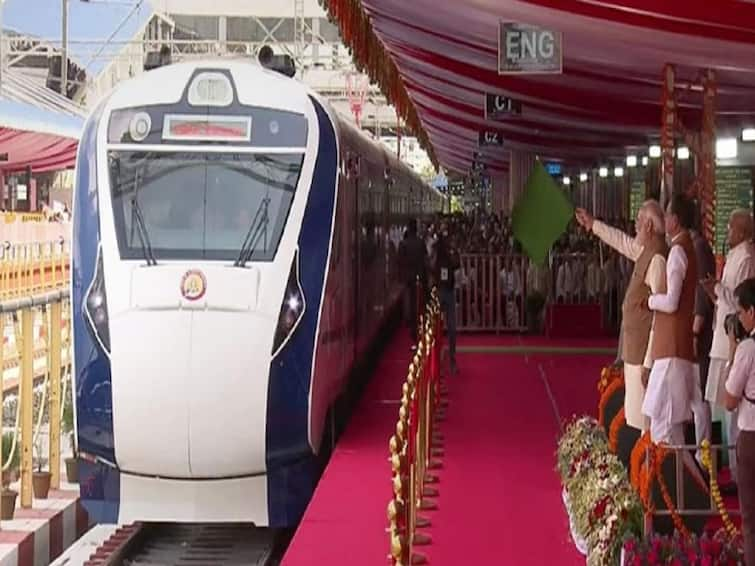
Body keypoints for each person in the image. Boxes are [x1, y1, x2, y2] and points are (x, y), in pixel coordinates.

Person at [575, 201, 667, 431]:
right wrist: (593, 224)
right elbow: (622, 242)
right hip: (633, 347)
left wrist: (649, 362)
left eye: (638, 220)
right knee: (635, 416)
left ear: (648, 225)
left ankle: (646, 465)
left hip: (643, 352)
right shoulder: (646, 251)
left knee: (643, 421)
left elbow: (661, 316)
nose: (634, 224)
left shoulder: (657, 259)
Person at [703, 209, 755, 490]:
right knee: (717, 407)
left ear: (744, 232)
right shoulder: (735, 254)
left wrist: (719, 288)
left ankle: (738, 473)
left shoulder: (747, 257)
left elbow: (742, 304)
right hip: (720, 340)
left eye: (732, 227)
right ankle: (726, 466)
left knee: (731, 411)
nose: (728, 230)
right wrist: (715, 290)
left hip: (733, 342)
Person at [642, 195, 699, 445]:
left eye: (666, 215)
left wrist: (651, 300)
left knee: (662, 429)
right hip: (676, 347)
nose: (664, 220)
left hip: (672, 349)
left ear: (675, 220)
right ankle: (679, 483)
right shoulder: (686, 247)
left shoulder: (677, 251)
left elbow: (672, 301)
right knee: (672, 431)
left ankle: (664, 483)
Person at [722, 277, 755, 565]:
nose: (741, 318)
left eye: (742, 312)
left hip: (751, 434)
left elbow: (729, 400)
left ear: (752, 312)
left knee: (750, 519)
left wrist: (733, 351)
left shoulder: (748, 349)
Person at [691, 218, 716, 450]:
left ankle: (703, 455)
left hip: (701, 333)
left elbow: (701, 293)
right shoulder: (694, 246)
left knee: (700, 399)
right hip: (698, 331)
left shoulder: (697, 247)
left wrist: (695, 331)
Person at [398, 218, 428, 347]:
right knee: (418, 303)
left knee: (410, 302)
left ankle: (412, 325)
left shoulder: (403, 244)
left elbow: (399, 261)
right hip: (419, 277)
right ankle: (418, 326)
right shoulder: (421, 243)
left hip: (408, 277)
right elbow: (424, 259)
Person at [434, 224, 460, 374]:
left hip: (447, 292)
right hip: (443, 292)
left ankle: (450, 359)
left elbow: (457, 264)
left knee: (450, 328)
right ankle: (445, 360)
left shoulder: (448, 255)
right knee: (442, 328)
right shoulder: (440, 255)